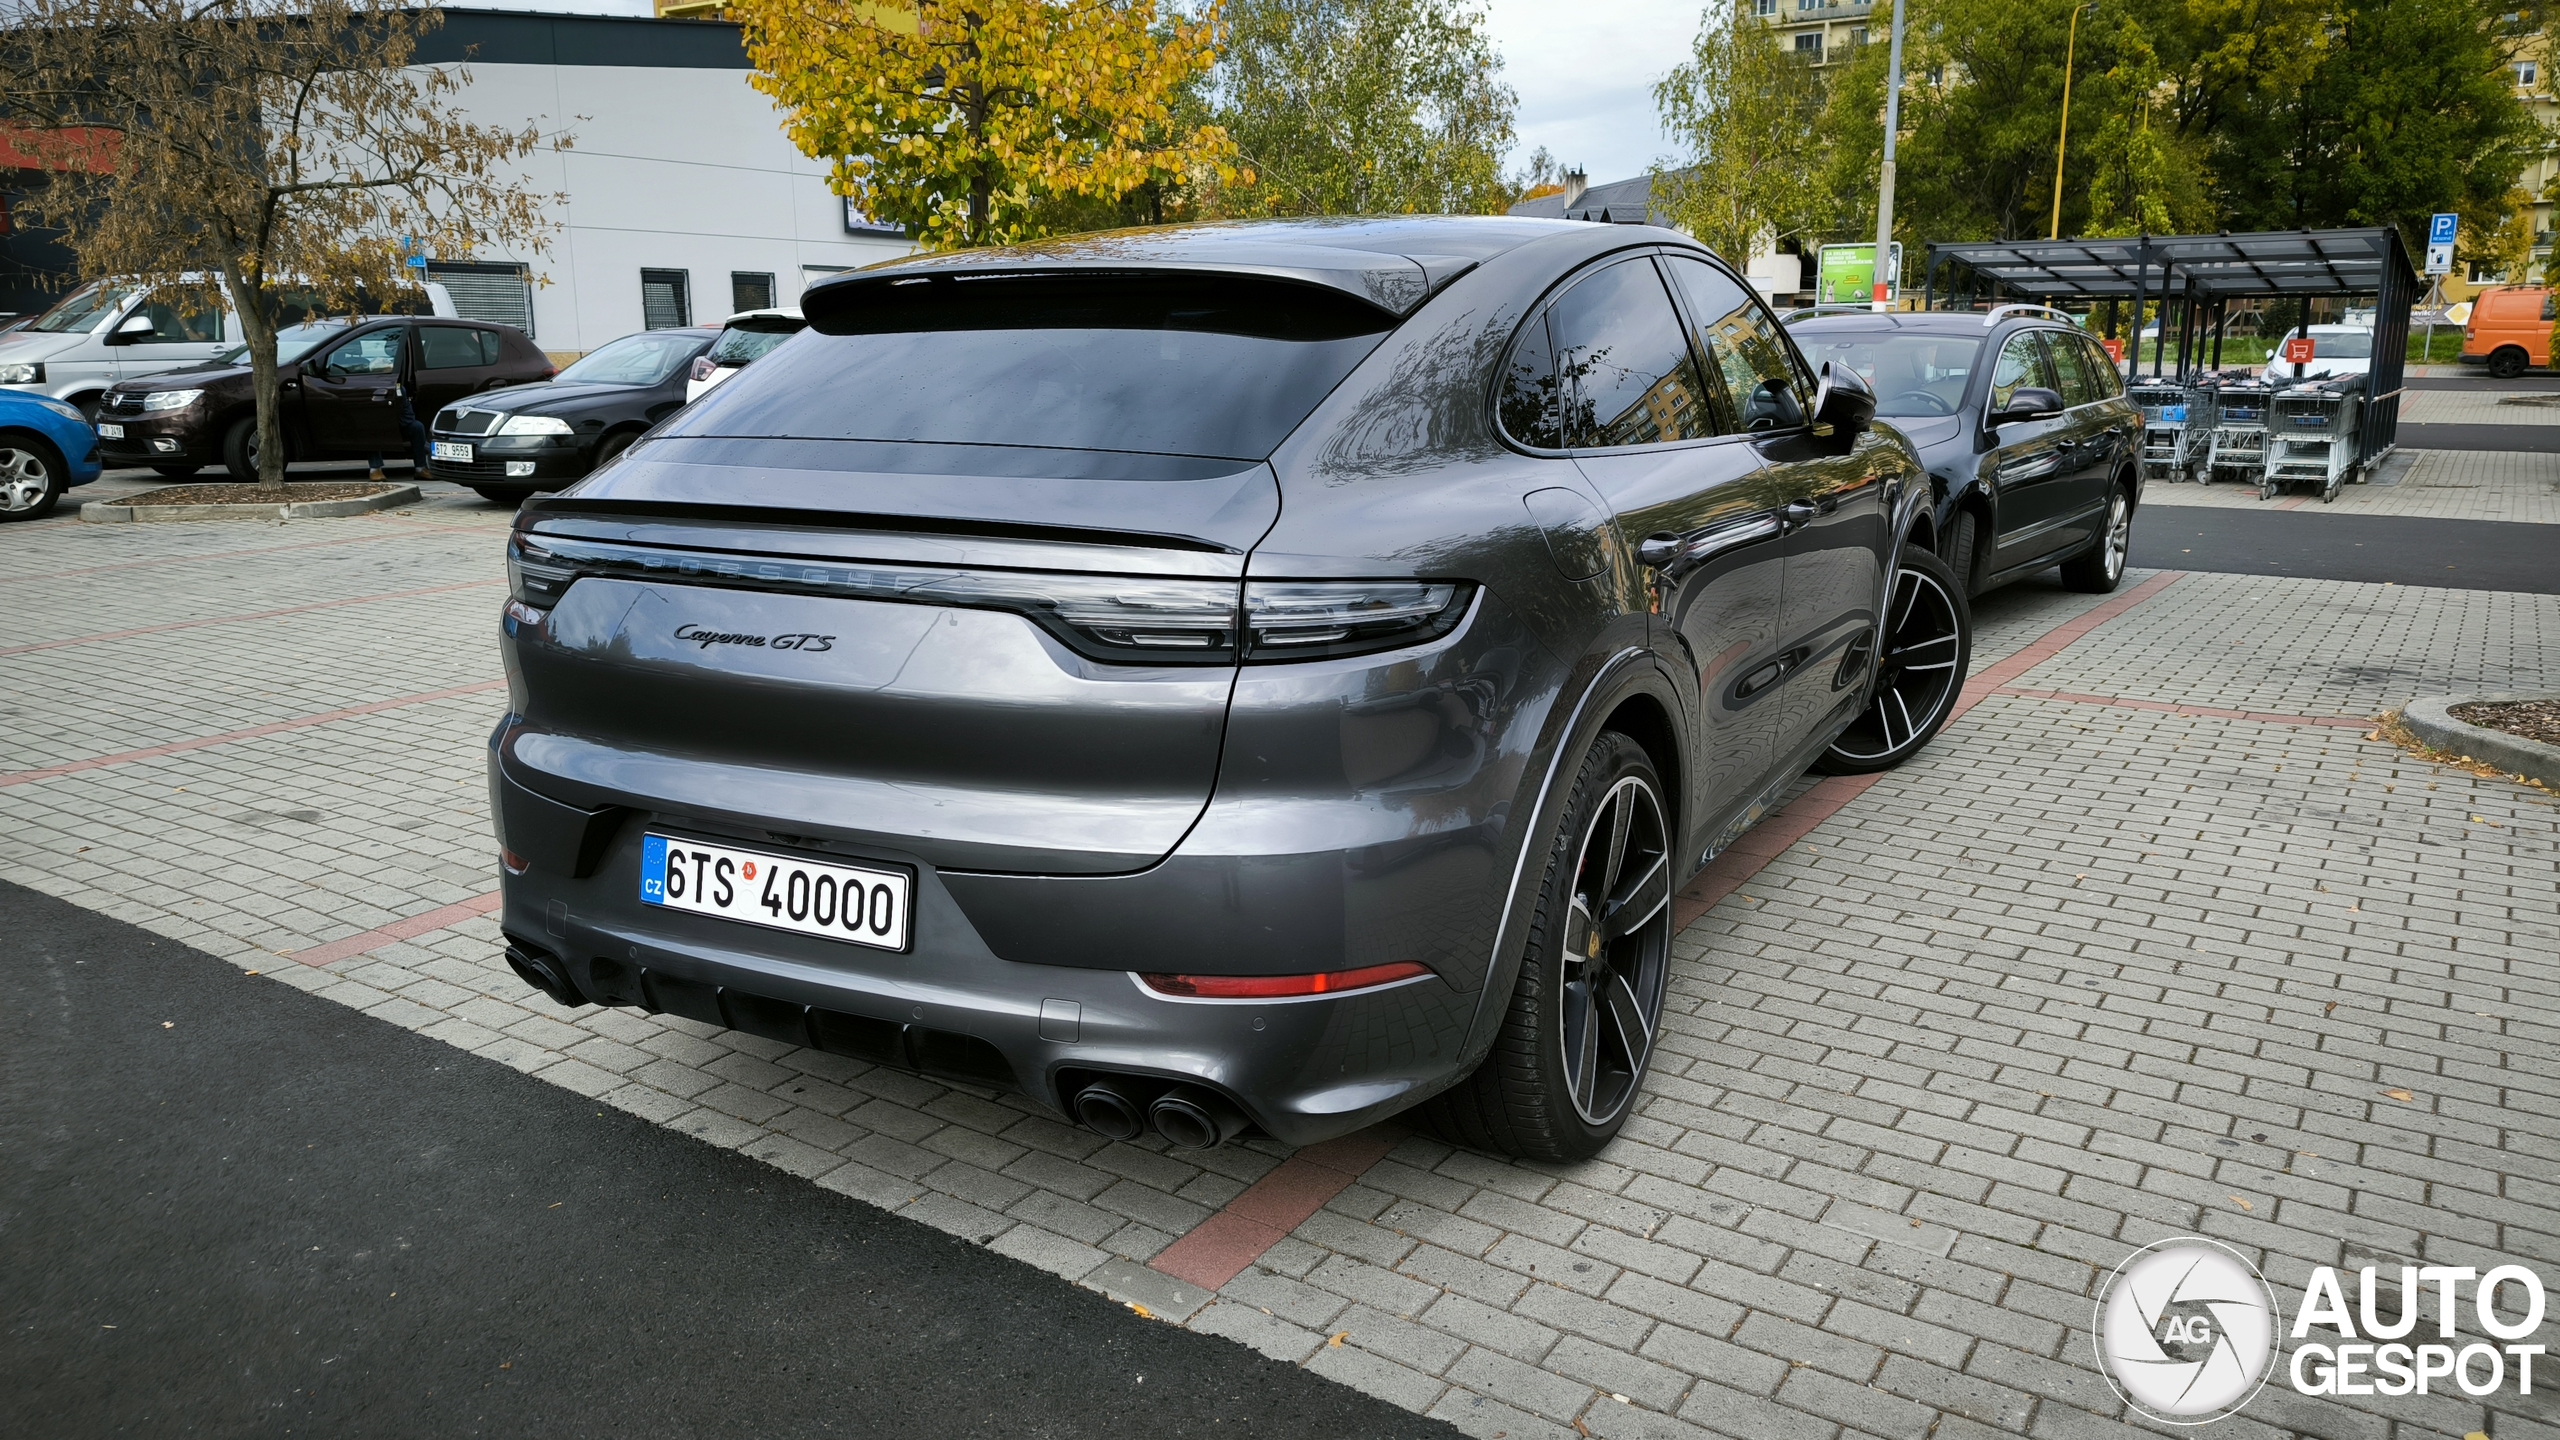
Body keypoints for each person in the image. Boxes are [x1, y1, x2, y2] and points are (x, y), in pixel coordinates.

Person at [367, 326, 430, 480]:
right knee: (370, 428)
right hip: (378, 423)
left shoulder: (398, 389)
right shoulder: (369, 389)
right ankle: (375, 469)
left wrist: (397, 424)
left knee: (417, 427)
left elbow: (408, 414)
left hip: (399, 423)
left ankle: (420, 468)